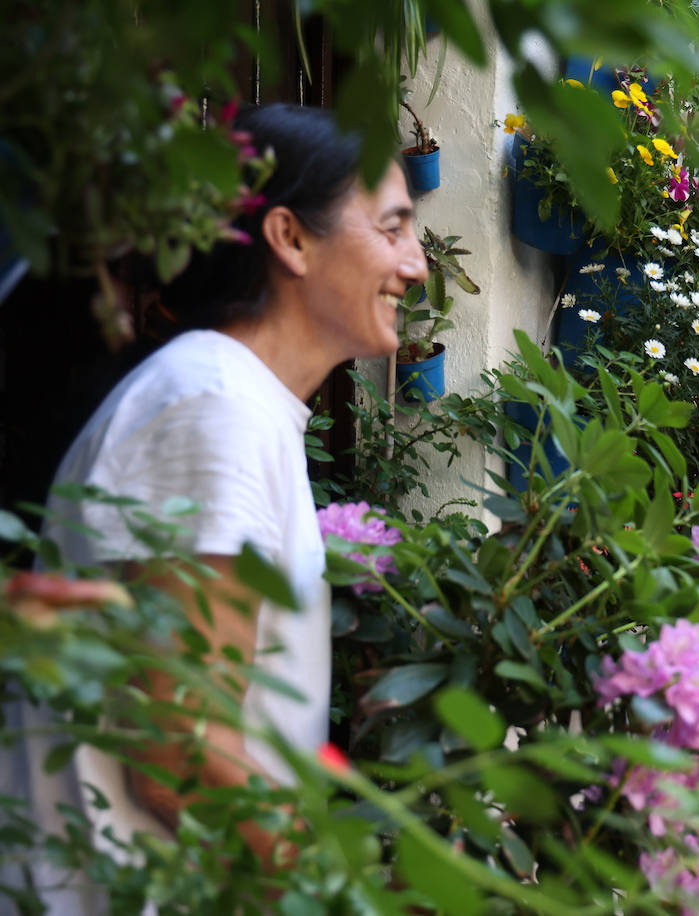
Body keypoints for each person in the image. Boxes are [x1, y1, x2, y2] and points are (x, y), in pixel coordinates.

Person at [14, 103, 427, 900]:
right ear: (290, 238)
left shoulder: (236, 401)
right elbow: (177, 748)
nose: (415, 264)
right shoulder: (215, 408)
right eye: (392, 228)